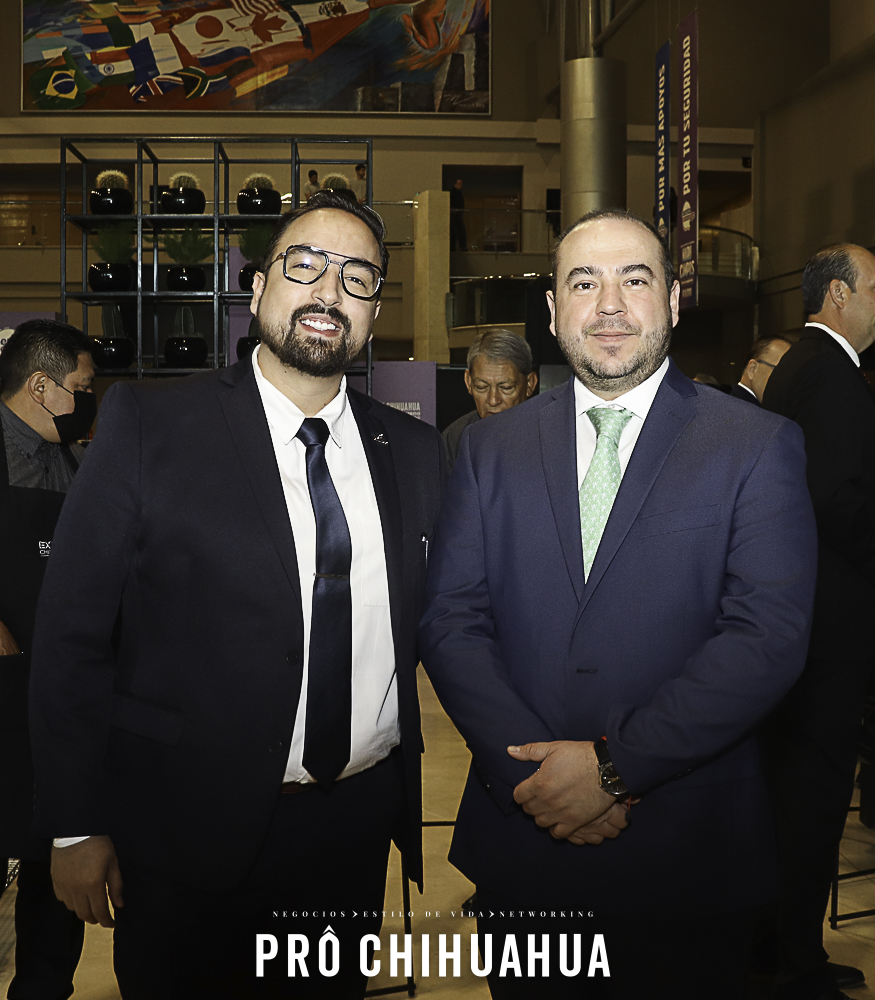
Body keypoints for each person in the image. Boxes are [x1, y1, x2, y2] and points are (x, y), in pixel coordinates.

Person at [29, 190, 445, 1000]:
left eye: (357, 278)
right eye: (305, 265)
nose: (329, 291)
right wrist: (74, 823)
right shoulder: (150, 426)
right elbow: (72, 636)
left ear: (372, 311)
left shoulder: (415, 452)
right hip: (184, 832)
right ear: (256, 289)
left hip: (351, 834)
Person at [419, 209, 818, 1000]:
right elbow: (451, 620)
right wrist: (535, 777)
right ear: (551, 310)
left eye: (633, 280)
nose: (608, 304)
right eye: (583, 283)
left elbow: (765, 639)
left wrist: (611, 769)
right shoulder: (488, 450)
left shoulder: (755, 444)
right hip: (523, 843)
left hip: (686, 853)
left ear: (670, 299)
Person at [760, 243, 875, 1000]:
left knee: (794, 800)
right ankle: (789, 965)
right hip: (828, 635)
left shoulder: (804, 364)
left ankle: (784, 950)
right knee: (810, 802)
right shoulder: (831, 374)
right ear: (838, 294)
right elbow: (840, 501)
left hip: (803, 629)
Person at [0, 319, 95, 1000]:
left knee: (53, 857)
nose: (89, 402)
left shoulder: (74, 461)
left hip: (57, 695)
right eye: (81, 388)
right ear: (40, 386)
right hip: (4, 688)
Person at [441, 329, 537, 470]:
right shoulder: (455, 439)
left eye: (506, 388)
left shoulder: (552, 438)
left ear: (530, 384)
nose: (493, 400)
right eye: (481, 387)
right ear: (468, 382)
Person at [731, 335, 790, 405]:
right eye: (779, 371)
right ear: (752, 369)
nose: (785, 381)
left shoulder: (733, 403)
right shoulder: (739, 408)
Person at [449, 177, 467, 252]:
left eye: (461, 184)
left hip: (458, 214)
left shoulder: (460, 193)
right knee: (454, 231)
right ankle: (453, 246)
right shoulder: (452, 193)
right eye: (459, 184)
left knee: (461, 230)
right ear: (455, 184)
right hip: (453, 215)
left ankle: (462, 246)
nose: (460, 185)